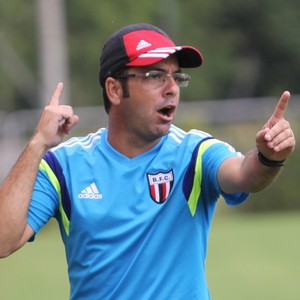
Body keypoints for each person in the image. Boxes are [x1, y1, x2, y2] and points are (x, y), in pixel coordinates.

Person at [0, 23, 296, 299]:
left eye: (176, 76)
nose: (172, 88)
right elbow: (3, 241)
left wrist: (268, 157)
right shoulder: (63, 166)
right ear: (115, 89)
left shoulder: (195, 153)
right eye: (155, 75)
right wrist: (37, 144)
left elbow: (246, 175)